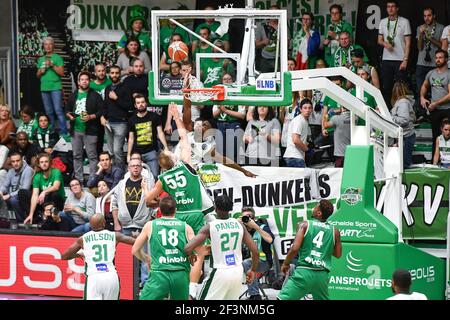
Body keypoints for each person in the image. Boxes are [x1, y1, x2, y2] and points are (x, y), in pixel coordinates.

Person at [184, 195, 259, 300]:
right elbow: (255, 251)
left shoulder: (210, 226)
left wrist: (191, 253)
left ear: (215, 208)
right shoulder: (239, 225)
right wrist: (253, 270)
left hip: (219, 271)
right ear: (231, 208)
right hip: (237, 271)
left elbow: (187, 248)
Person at [61, 213, 138, 300]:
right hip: (111, 276)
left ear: (90, 224)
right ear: (104, 223)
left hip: (94, 277)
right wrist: (136, 236)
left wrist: (78, 254)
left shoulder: (83, 239)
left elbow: (64, 256)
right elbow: (136, 242)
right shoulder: (115, 235)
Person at [277, 199, 342, 300]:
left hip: (305, 272)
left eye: (316, 206)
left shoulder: (304, 224)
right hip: (322, 275)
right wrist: (324, 247)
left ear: (319, 213)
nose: (313, 208)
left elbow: (295, 248)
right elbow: (338, 254)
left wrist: (285, 263)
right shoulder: (335, 231)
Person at [132, 196, 194, 300]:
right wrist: (192, 255)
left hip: (159, 274)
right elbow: (194, 247)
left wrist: (146, 258)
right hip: (180, 273)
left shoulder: (150, 225)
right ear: (175, 210)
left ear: (159, 210)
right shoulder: (185, 226)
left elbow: (134, 250)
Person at [111, 157, 154, 286]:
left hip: (143, 226)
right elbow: (114, 204)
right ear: (128, 168)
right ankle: (128, 283)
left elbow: (154, 203)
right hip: (126, 226)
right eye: (133, 166)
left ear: (141, 168)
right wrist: (117, 223)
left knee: (145, 255)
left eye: (138, 166)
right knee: (127, 257)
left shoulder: (148, 183)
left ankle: (145, 283)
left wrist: (150, 221)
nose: (135, 168)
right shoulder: (121, 184)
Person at [66, 71, 104, 182]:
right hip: (75, 130)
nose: (84, 81)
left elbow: (101, 111)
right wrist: (69, 116)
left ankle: (93, 179)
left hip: (91, 130)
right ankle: (79, 179)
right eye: (82, 79)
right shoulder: (73, 95)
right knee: (76, 156)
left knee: (92, 156)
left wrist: (91, 116)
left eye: (86, 79)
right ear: (78, 82)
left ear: (89, 81)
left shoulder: (95, 96)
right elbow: (67, 110)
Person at [377, 1, 412, 108]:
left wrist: (405, 60)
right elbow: (379, 40)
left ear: (397, 8)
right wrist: (385, 44)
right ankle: (388, 111)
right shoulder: (383, 22)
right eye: (388, 7)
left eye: (393, 6)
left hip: (400, 60)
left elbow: (408, 42)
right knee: (387, 87)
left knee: (402, 87)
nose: (390, 9)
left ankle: (403, 110)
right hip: (387, 60)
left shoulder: (404, 21)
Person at [127, 94, 168, 179]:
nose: (140, 104)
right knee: (136, 177)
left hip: (151, 152)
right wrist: (128, 154)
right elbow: (131, 138)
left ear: (146, 103)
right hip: (137, 153)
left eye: (142, 102)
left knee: (155, 176)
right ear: (135, 105)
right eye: (138, 103)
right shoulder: (132, 120)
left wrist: (166, 147)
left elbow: (160, 133)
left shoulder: (154, 116)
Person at [240, 207, 274, 300]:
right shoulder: (243, 229)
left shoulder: (262, 227)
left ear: (254, 218)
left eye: (249, 217)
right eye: (244, 217)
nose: (246, 220)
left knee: (247, 263)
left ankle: (255, 295)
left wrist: (255, 226)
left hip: (265, 262)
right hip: (253, 261)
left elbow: (270, 240)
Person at [36, 36, 68, 135]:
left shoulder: (57, 58)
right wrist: (41, 71)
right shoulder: (41, 59)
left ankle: (64, 132)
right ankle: (51, 132)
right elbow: (37, 75)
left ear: (53, 46)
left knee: (58, 110)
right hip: (44, 88)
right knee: (48, 112)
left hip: (55, 87)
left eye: (50, 44)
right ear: (44, 46)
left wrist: (52, 65)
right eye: (46, 44)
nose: (48, 46)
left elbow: (62, 73)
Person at [420, 49, 450, 154]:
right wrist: (422, 97)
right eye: (436, 58)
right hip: (435, 110)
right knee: (436, 136)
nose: (438, 60)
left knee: (448, 135)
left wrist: (436, 103)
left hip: (447, 109)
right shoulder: (431, 73)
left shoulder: (448, 74)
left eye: (440, 58)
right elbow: (424, 85)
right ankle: (435, 160)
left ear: (446, 59)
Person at [23, 153, 66, 225]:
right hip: (45, 202)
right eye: (42, 162)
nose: (44, 164)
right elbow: (35, 195)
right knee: (22, 193)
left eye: (46, 161)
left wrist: (44, 192)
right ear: (39, 164)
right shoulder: (37, 176)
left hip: (58, 202)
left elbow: (56, 187)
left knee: (52, 193)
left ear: (50, 163)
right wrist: (31, 214)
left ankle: (51, 216)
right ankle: (36, 217)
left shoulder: (56, 172)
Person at [212, 73, 246, 162]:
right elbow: (214, 114)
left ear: (233, 81)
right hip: (220, 123)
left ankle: (233, 170)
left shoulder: (237, 91)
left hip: (233, 123)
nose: (227, 81)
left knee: (233, 151)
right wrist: (221, 109)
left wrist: (226, 110)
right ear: (222, 81)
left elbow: (242, 115)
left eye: (229, 79)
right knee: (220, 151)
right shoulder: (218, 92)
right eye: (225, 79)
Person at [102, 65, 130, 168]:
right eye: (112, 73)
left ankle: (120, 172)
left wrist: (116, 98)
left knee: (117, 150)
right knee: (110, 151)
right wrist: (102, 116)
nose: (114, 75)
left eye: (117, 73)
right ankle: (113, 171)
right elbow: (105, 104)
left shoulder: (125, 88)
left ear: (120, 74)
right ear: (109, 74)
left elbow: (129, 105)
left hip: (121, 123)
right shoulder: (107, 88)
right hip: (108, 122)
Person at [416, 7, 444, 98]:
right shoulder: (420, 28)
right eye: (424, 16)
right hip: (421, 64)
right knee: (420, 90)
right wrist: (421, 34)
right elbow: (419, 48)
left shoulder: (441, 28)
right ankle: (421, 110)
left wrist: (429, 38)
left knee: (435, 90)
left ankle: (434, 110)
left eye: (429, 15)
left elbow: (442, 46)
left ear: (434, 16)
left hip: (435, 64)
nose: (426, 18)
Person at [0, 152, 34, 223]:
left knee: (13, 200)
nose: (15, 163)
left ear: (22, 160)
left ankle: (21, 220)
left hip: (25, 198)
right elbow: (5, 185)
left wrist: (8, 195)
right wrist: (0, 192)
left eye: (18, 161)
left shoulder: (28, 170)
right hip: (13, 196)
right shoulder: (11, 171)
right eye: (13, 161)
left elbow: (25, 189)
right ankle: (3, 220)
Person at [391, 81, 416, 169]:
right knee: (403, 163)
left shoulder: (403, 102)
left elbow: (404, 120)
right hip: (404, 136)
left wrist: (390, 119)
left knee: (404, 164)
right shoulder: (401, 102)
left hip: (406, 136)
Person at [283, 98, 313, 168]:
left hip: (294, 157)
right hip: (294, 157)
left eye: (309, 108)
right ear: (300, 109)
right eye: (305, 108)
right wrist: (307, 150)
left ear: (312, 109)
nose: (307, 110)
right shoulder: (299, 121)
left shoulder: (304, 121)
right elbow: (296, 140)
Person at [323, 4, 353, 69]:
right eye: (332, 13)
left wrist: (336, 36)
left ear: (340, 14)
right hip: (330, 58)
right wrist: (325, 43)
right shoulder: (328, 27)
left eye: (336, 13)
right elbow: (326, 44)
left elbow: (351, 41)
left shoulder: (346, 25)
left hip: (343, 57)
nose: (334, 15)